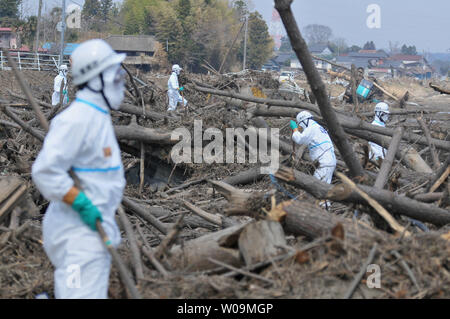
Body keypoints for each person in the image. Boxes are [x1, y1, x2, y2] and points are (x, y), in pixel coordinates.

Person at [32, 39, 127, 299]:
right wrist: (82, 203)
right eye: (113, 74)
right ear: (95, 79)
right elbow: (45, 171)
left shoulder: (97, 116)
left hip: (93, 233)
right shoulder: (77, 120)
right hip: (78, 237)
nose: (121, 80)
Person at [290, 111, 336, 184]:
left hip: (324, 162)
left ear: (304, 121)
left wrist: (295, 129)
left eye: (301, 125)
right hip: (330, 161)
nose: (301, 128)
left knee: (316, 186)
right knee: (325, 188)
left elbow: (299, 139)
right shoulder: (318, 127)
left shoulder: (312, 128)